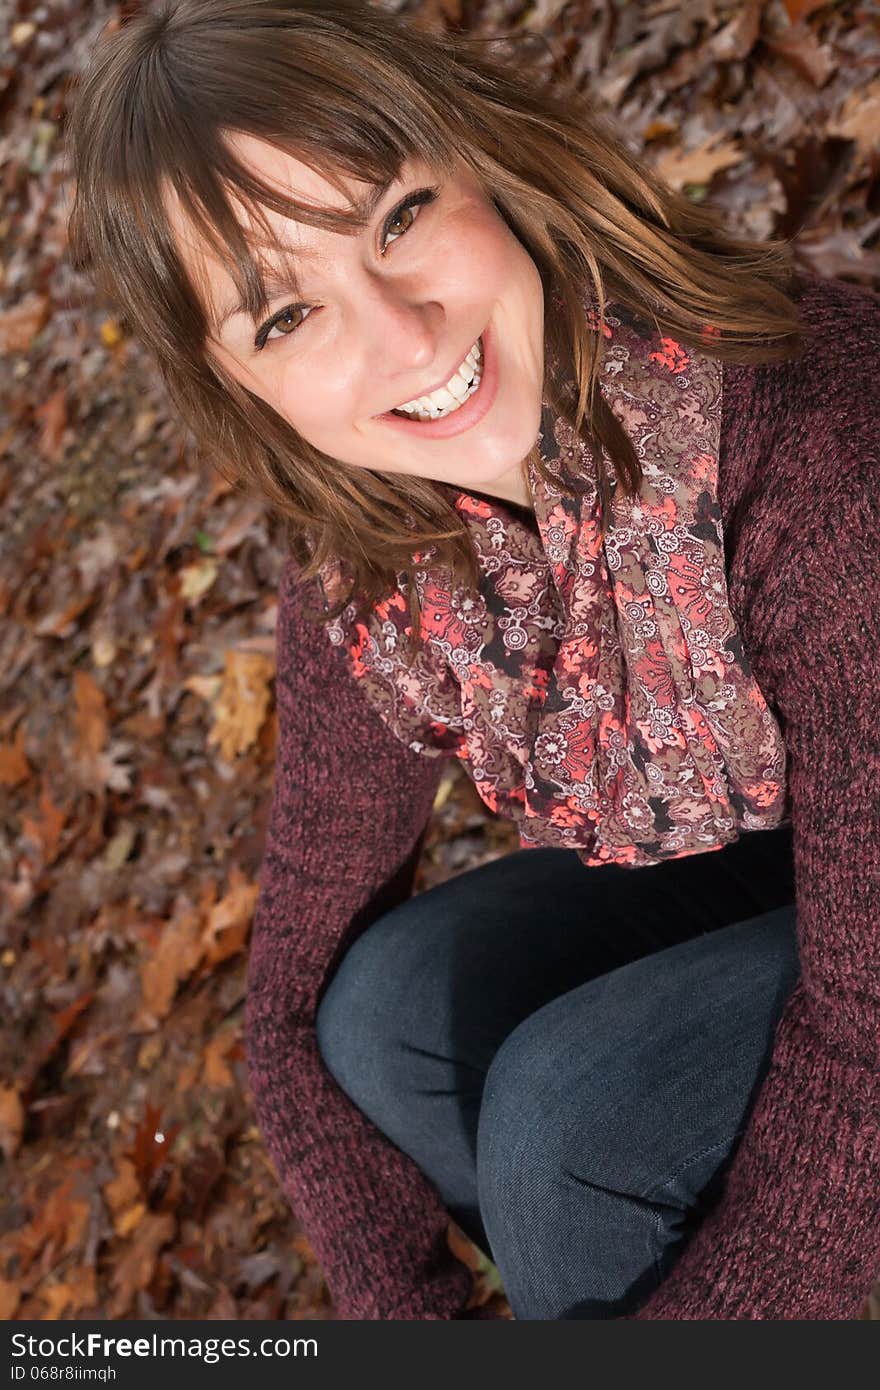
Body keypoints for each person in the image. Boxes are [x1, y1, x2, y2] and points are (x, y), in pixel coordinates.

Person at [66, 0, 879, 1320]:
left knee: (574, 1131)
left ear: (484, 160)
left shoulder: (812, 453)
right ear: (235, 392)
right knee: (384, 1016)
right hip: (809, 844)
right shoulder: (379, 562)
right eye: (284, 317)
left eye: (396, 217)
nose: (404, 334)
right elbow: (281, 1015)